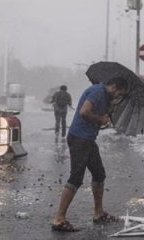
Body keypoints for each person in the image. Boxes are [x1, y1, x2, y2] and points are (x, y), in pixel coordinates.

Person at [52, 77, 128, 232]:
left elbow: (99, 117)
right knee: (76, 178)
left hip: (87, 139)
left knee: (99, 174)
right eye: (119, 93)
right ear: (113, 86)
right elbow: (84, 112)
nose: (118, 97)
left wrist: (108, 113)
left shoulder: (104, 96)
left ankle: (98, 213)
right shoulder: (97, 92)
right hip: (80, 139)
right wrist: (100, 119)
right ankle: (59, 219)